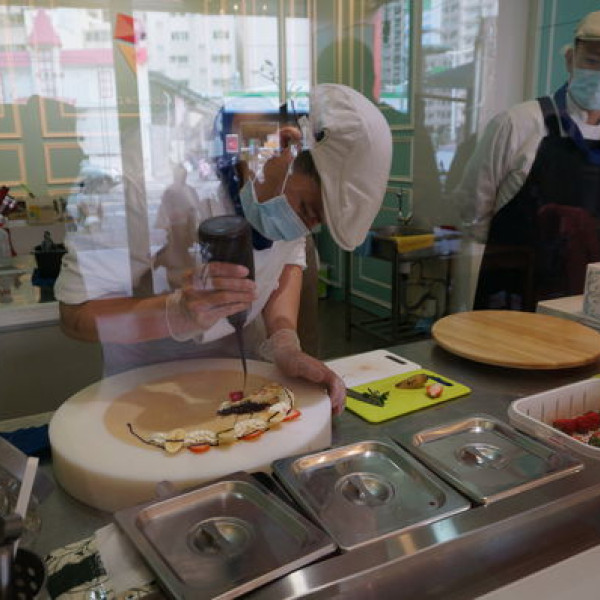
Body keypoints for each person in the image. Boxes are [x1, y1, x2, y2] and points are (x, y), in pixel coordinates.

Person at [55, 83, 393, 415]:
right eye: (307, 210)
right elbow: (75, 316)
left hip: (244, 378)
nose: (303, 228)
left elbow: (288, 259)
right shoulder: (141, 179)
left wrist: (283, 340)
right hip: (146, 389)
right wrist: (176, 313)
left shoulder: (282, 180)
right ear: (285, 144)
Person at [455, 11, 600, 311]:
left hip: (587, 306)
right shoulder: (517, 124)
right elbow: (472, 212)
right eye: (593, 61)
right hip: (515, 297)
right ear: (570, 59)